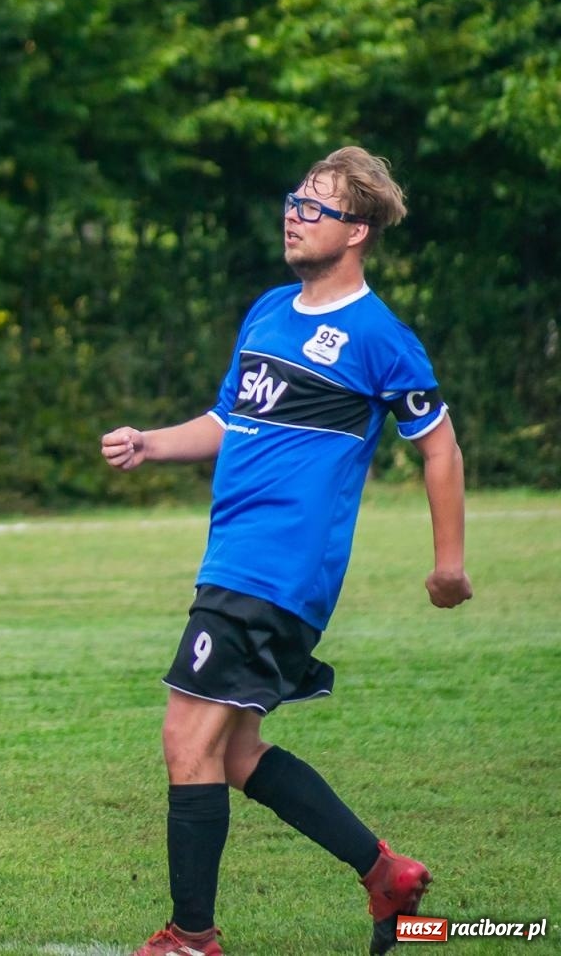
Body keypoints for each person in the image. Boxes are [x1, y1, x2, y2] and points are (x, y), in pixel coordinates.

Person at [101, 147, 472, 956]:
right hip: (236, 560)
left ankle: (192, 938)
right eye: (294, 201)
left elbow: (439, 446)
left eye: (315, 207)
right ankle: (386, 875)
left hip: (275, 570)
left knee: (184, 740)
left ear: (358, 231)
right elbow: (230, 418)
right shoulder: (269, 309)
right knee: (230, 752)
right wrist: (150, 442)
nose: (294, 216)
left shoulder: (379, 337)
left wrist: (449, 563)